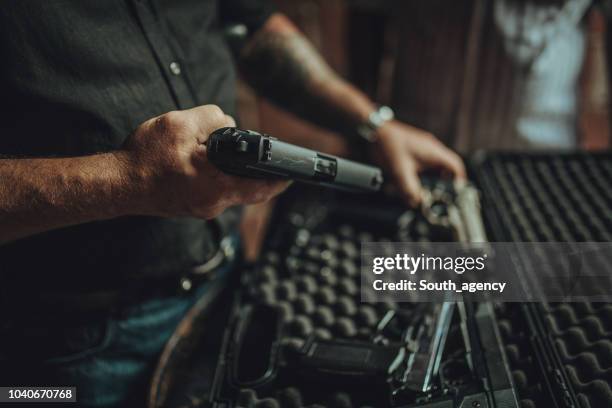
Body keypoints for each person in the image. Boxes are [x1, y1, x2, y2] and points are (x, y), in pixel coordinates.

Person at [0, 1, 464, 406]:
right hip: (71, 345)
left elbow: (253, 24)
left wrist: (373, 125)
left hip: (229, 275)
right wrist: (127, 178)